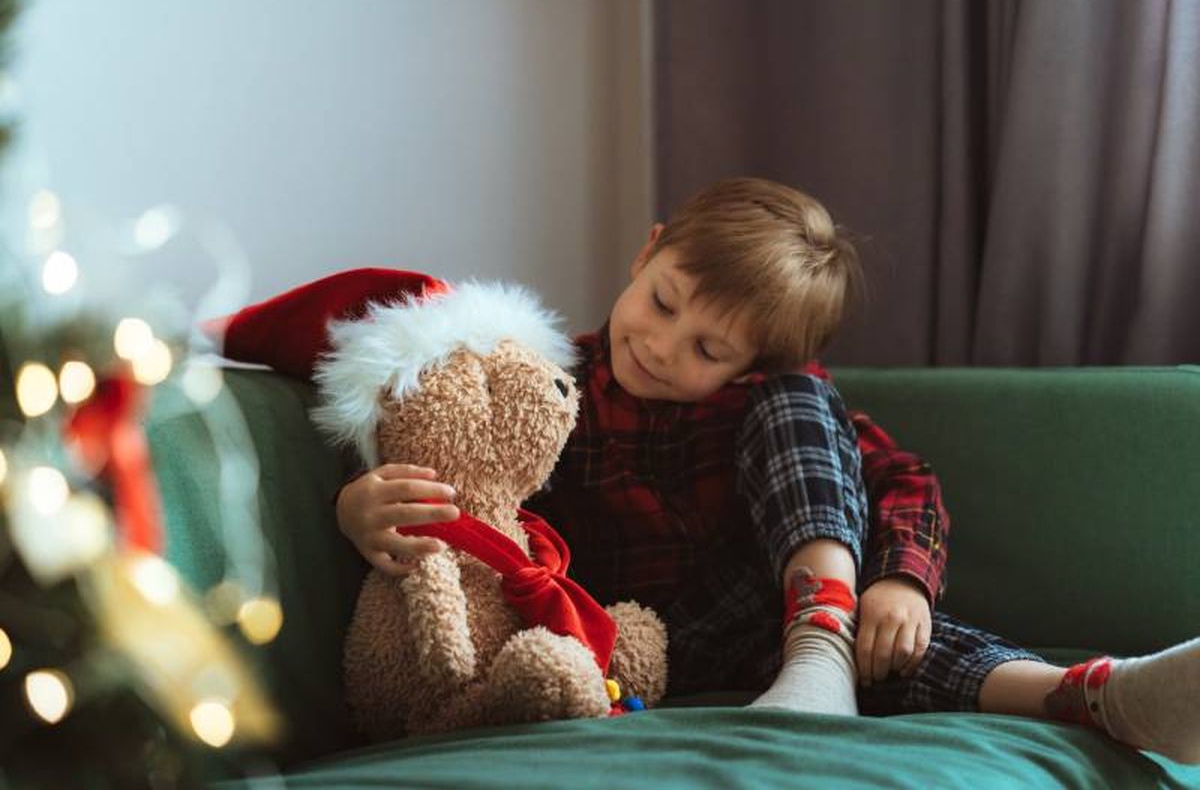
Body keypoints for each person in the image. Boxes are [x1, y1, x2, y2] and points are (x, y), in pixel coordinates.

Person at [335, 178, 1199, 764]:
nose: (662, 346)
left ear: (745, 360)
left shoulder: (762, 397)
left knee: (866, 581)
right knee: (844, 614)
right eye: (662, 302)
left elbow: (902, 480)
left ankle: (1094, 697)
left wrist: (903, 583)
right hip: (635, 638)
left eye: (709, 347)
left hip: (776, 618)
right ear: (648, 253)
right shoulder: (549, 383)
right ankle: (828, 638)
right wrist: (361, 507)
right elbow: (465, 476)